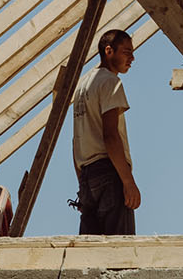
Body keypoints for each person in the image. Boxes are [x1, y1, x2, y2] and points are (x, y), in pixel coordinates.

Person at [71, 29, 140, 234]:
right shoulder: (110, 82)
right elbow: (110, 135)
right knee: (120, 251)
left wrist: (81, 185)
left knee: (91, 253)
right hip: (109, 172)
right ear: (109, 51)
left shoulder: (83, 85)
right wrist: (128, 182)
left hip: (87, 176)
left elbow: (76, 140)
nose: (132, 58)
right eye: (126, 52)